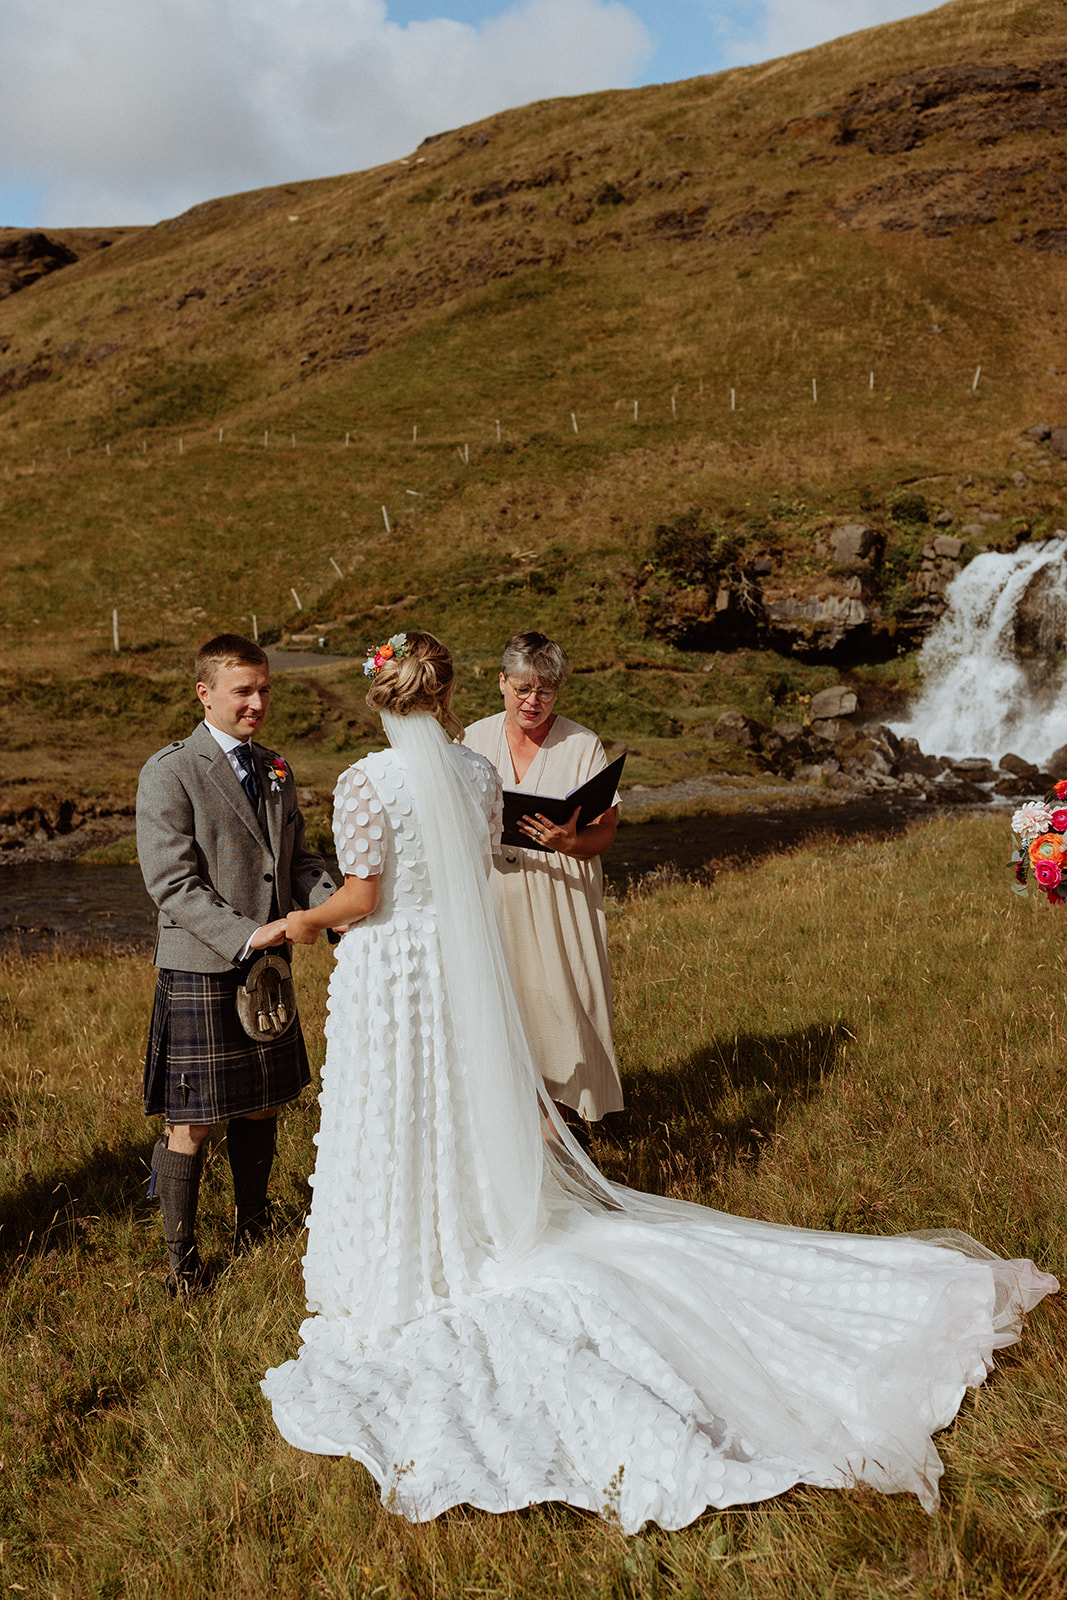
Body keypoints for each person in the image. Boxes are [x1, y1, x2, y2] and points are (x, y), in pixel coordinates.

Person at [261, 631, 1057, 1533]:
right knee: (453, 1109)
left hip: (393, 974)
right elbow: (474, 869)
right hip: (457, 975)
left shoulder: (369, 781)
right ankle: (466, 1223)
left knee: (396, 1116)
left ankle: (406, 1248)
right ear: (449, 694)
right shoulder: (475, 776)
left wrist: (300, 921)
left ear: (380, 697)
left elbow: (363, 900)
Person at [137, 633, 337, 1296]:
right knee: (189, 1122)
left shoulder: (274, 766)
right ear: (205, 692)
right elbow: (171, 882)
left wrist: (333, 908)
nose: (256, 702)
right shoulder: (170, 770)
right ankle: (182, 1260)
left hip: (269, 968)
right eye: (242, 691)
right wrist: (252, 934)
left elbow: (299, 861)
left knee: (263, 1106)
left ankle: (253, 1225)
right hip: (206, 964)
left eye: (264, 690)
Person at [463, 631, 623, 1121]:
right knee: (501, 1000)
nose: (533, 701)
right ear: (502, 682)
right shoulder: (472, 738)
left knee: (564, 999)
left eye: (546, 692)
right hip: (493, 893)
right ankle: (508, 1113)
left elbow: (605, 830)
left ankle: (573, 1111)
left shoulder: (581, 743)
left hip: (560, 893)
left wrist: (572, 844)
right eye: (523, 689)